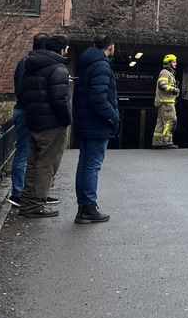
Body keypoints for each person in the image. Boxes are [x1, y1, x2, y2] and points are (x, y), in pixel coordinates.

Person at [18, 34, 71, 218]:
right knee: (46, 164)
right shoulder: (59, 68)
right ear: (62, 49)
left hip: (34, 121)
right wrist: (66, 120)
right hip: (52, 124)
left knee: (33, 163)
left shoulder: (30, 65)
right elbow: (60, 100)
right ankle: (36, 204)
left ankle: (26, 202)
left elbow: (23, 94)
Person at [72, 34, 118, 224]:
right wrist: (113, 116)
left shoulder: (87, 63)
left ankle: (84, 206)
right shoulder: (101, 65)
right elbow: (99, 97)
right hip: (97, 124)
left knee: (84, 164)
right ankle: (89, 207)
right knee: (92, 165)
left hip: (85, 121)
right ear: (111, 47)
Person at [9, 32, 49, 207]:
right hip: (29, 111)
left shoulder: (23, 62)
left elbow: (18, 87)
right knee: (27, 153)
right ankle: (19, 192)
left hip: (21, 109)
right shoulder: (35, 64)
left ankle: (20, 191)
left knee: (23, 151)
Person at [152, 53, 179, 149]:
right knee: (171, 122)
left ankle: (157, 142)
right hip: (166, 103)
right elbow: (162, 85)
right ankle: (167, 142)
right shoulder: (165, 73)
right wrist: (173, 90)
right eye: (174, 62)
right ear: (169, 63)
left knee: (160, 123)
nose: (176, 64)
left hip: (163, 103)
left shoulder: (167, 73)